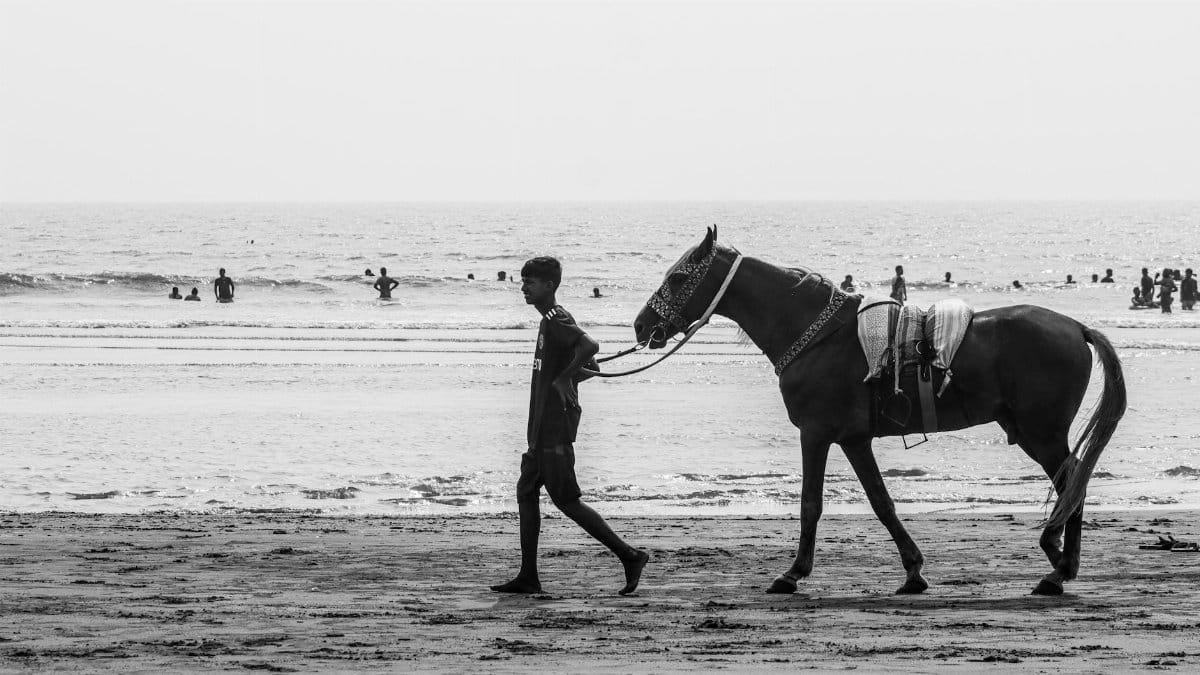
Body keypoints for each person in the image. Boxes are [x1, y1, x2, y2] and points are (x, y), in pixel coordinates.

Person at [491, 256, 648, 596]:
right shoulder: (550, 321)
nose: (523, 287)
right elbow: (588, 364)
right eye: (523, 281)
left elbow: (590, 347)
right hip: (541, 425)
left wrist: (564, 379)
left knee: (566, 500)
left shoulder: (557, 318)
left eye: (529, 282)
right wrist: (568, 375)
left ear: (549, 285)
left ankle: (630, 555)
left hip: (554, 426)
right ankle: (528, 575)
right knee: (526, 492)